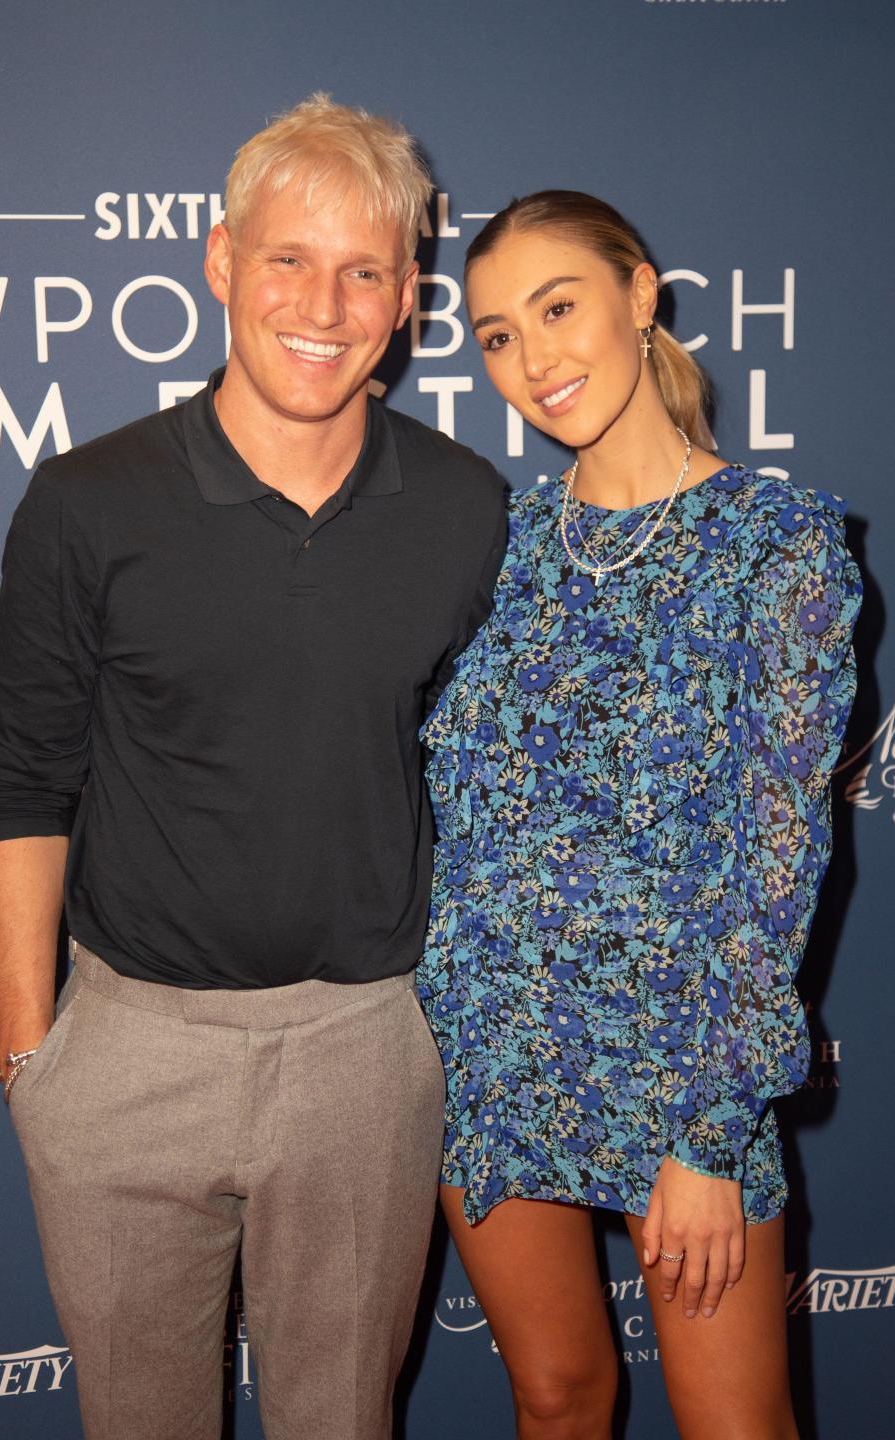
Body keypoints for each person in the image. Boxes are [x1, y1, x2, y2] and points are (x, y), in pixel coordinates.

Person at [0, 95, 505, 1440]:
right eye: (288, 259)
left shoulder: (467, 510)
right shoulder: (88, 503)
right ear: (219, 262)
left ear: (403, 300)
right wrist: (36, 1058)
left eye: (363, 270)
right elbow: (24, 782)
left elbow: (496, 784)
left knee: (344, 1423)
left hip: (365, 1055)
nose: (321, 304)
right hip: (129, 1052)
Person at [417, 191, 861, 1440]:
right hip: (490, 1055)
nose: (535, 360)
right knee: (556, 1398)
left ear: (640, 294)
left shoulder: (778, 544)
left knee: (737, 1430)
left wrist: (713, 1135)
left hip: (682, 1070)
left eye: (557, 309)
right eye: (497, 336)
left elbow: (779, 862)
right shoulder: (493, 544)